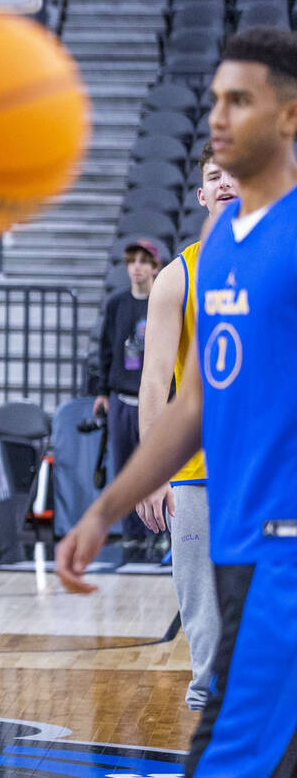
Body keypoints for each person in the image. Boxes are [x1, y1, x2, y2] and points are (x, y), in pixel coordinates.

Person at [57, 26, 297, 778]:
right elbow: (193, 401)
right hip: (233, 536)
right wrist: (105, 506)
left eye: (241, 100)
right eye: (215, 100)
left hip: (285, 548)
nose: (219, 118)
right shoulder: (216, 256)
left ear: (290, 116)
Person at [134, 141, 237, 712]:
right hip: (197, 473)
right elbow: (153, 386)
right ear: (201, 194)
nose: (226, 183)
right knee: (204, 615)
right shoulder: (177, 276)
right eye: (214, 176)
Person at [92, 236, 163, 561]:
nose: (136, 267)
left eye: (143, 261)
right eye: (132, 261)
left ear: (154, 267)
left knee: (158, 469)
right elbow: (106, 349)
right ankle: (133, 537)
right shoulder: (117, 304)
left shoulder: (163, 300)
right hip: (122, 398)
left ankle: (161, 534)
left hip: (156, 400)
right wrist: (103, 392)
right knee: (125, 471)